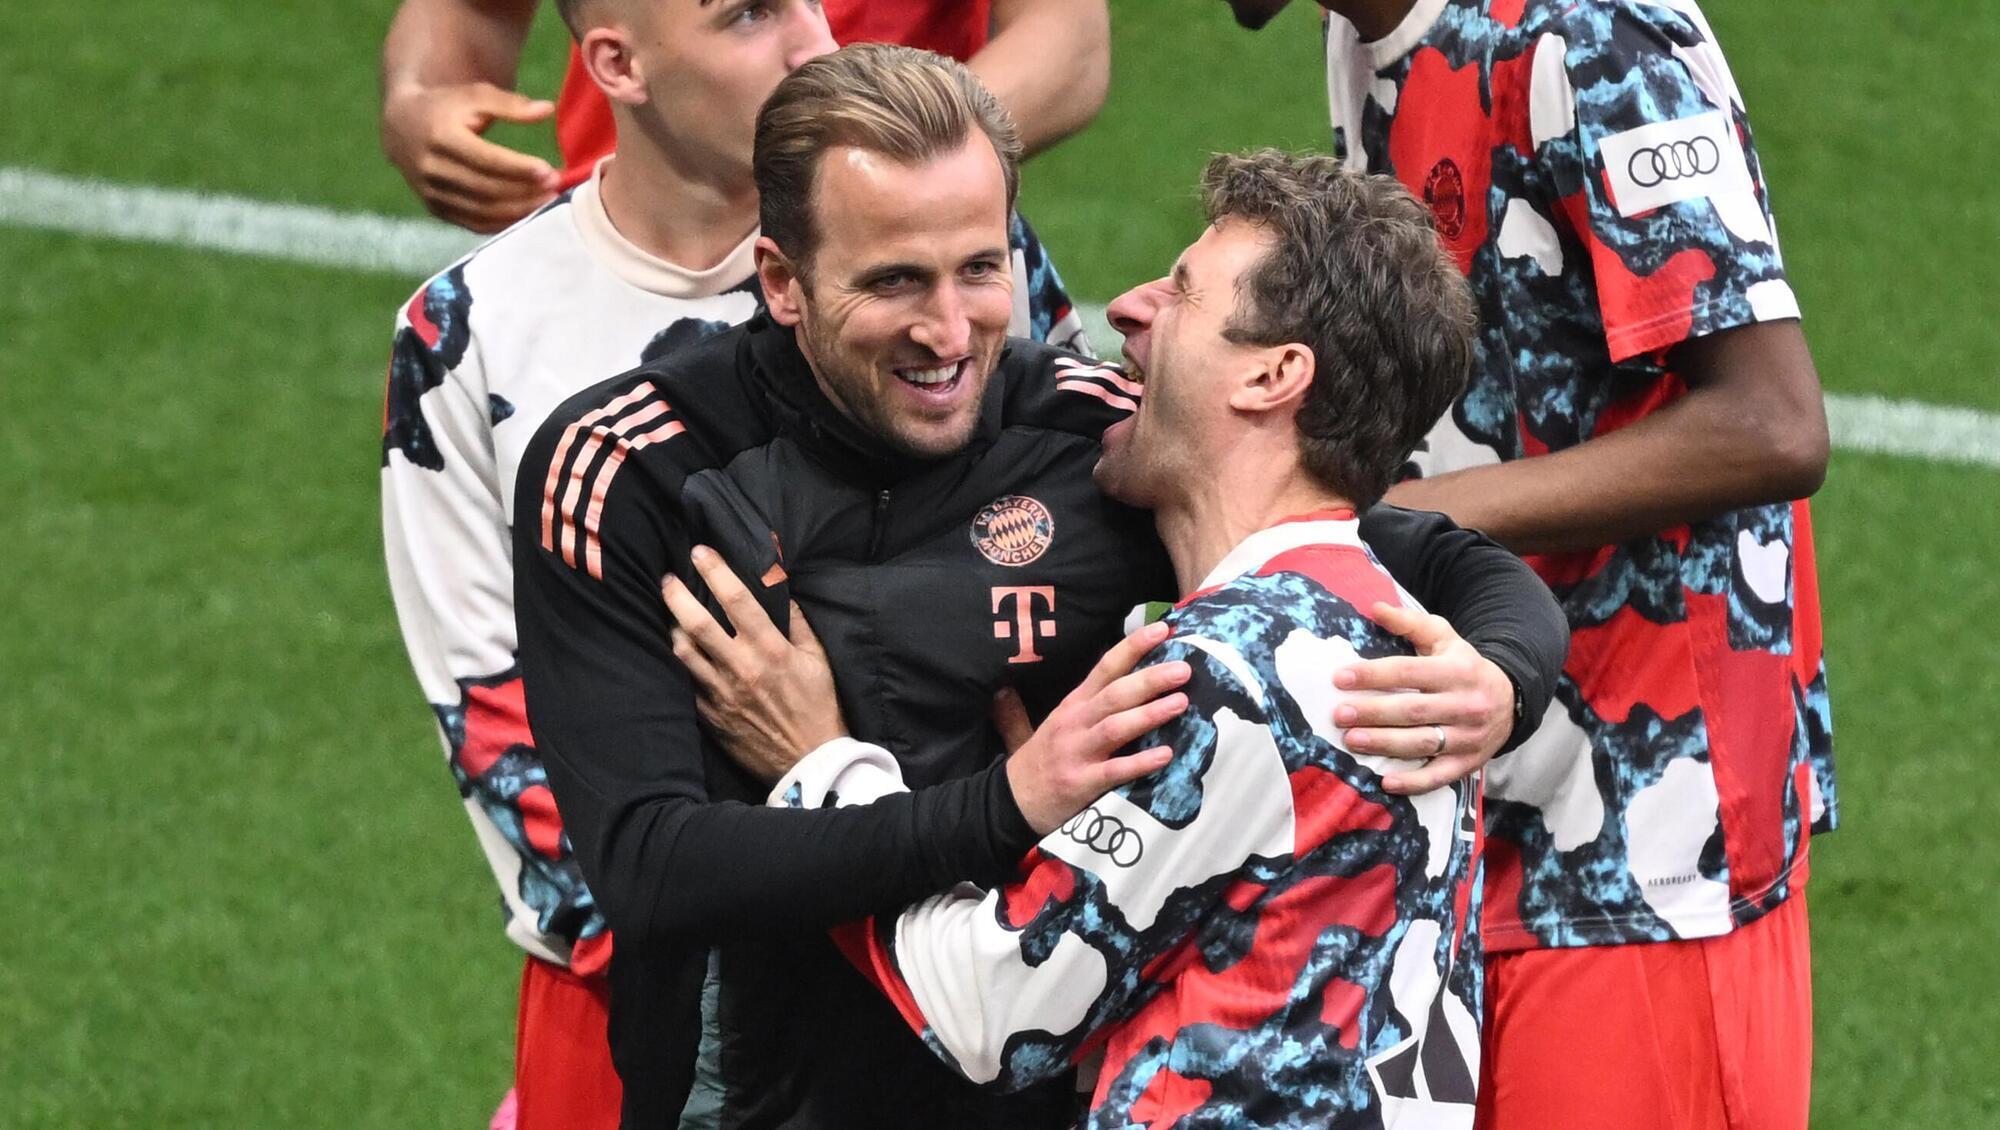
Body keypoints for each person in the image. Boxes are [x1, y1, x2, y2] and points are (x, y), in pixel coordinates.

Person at [512, 44, 1566, 1128]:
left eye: (979, 268)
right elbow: (651, 866)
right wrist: (996, 806)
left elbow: (1406, 544)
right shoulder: (634, 467)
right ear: (781, 279)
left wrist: (1500, 673)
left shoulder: (1087, 431)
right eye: (893, 280)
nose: (948, 330)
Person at [379, 5, 1094, 1128]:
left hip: (973, 945)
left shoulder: (940, 271)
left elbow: (1082, 536)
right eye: (750, 14)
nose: (812, 40)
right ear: (614, 63)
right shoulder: (474, 328)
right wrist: (688, 937)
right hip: (641, 978)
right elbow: (488, 708)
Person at [675, 149, 1491, 1128]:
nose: (1133, 310)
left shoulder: (1224, 672)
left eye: (1182, 293)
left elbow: (988, 1013)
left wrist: (819, 764)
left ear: (1272, 375)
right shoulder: (1390, 635)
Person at [1220, 2, 1834, 1127]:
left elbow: (1768, 424)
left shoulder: (1591, 34)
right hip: (1482, 798)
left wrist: (1385, 524)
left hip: (1648, 846)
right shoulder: (1365, 33)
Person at [379, 0, 1111, 231]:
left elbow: (1066, 46)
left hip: (879, 260)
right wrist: (421, 100)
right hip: (628, 248)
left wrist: (868, 167)